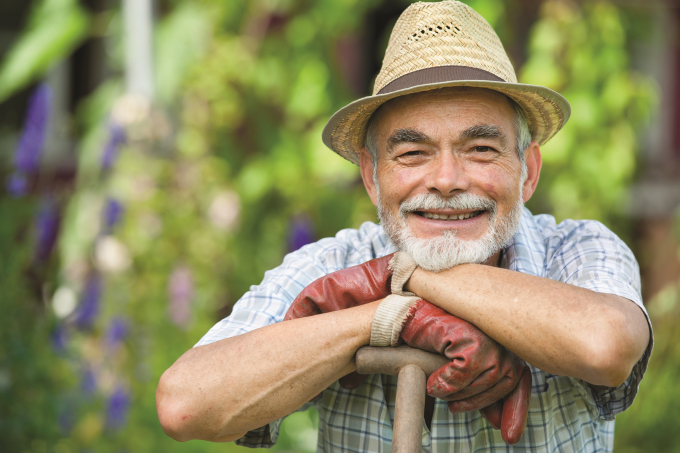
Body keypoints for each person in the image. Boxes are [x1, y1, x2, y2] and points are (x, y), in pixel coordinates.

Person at [155, 1, 652, 452]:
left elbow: (605, 344)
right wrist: (388, 316)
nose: (445, 180)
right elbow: (185, 404)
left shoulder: (576, 248)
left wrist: (404, 274)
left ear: (528, 172)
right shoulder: (332, 261)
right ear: (372, 178)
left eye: (480, 149)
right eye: (412, 153)